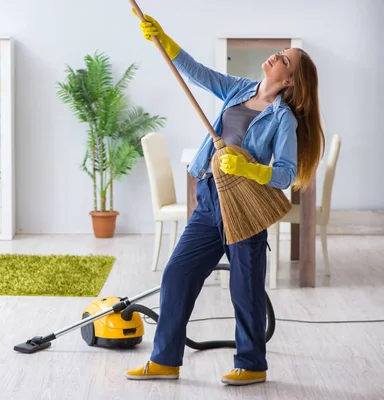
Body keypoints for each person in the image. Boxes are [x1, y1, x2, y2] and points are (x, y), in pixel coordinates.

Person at [125, 12, 325, 385]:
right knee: (177, 274)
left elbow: (283, 173)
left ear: (290, 80)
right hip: (210, 200)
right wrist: (165, 41)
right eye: (280, 51)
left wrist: (249, 169)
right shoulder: (238, 89)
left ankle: (251, 365)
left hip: (245, 208)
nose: (275, 56)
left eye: (284, 59)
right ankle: (165, 360)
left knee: (244, 289)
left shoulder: (284, 120)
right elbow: (198, 73)